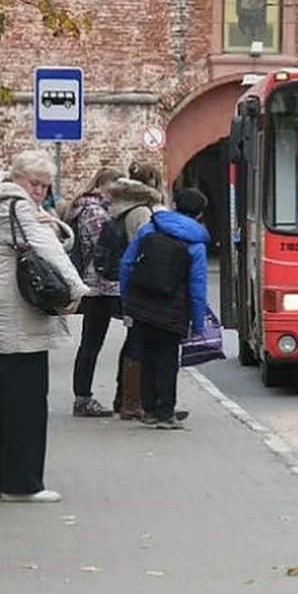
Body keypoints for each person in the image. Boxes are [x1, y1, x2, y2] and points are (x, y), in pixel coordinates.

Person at [0, 149, 87, 504]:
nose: (39, 191)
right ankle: (22, 483)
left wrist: (50, 222)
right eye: (35, 184)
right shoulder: (17, 206)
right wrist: (77, 291)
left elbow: (52, 236)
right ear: (17, 177)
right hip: (21, 317)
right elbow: (47, 249)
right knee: (27, 404)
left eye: (45, 186)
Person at [119, 187, 210, 429]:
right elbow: (197, 285)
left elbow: (127, 264)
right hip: (174, 309)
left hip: (142, 302)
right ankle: (165, 412)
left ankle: (149, 410)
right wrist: (198, 322)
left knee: (146, 356)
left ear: (175, 205)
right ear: (200, 214)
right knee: (168, 360)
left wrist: (127, 300)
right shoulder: (196, 242)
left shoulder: (149, 228)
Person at [101, 162, 166, 420]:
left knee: (133, 340)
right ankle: (132, 401)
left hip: (126, 281)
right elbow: (146, 245)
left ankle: (123, 398)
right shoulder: (140, 212)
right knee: (139, 342)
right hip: (139, 281)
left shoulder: (118, 207)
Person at [61, 166, 125, 418]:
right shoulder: (96, 212)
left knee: (91, 342)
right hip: (100, 285)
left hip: (94, 283)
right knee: (92, 343)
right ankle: (83, 398)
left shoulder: (82, 208)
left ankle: (85, 396)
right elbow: (104, 247)